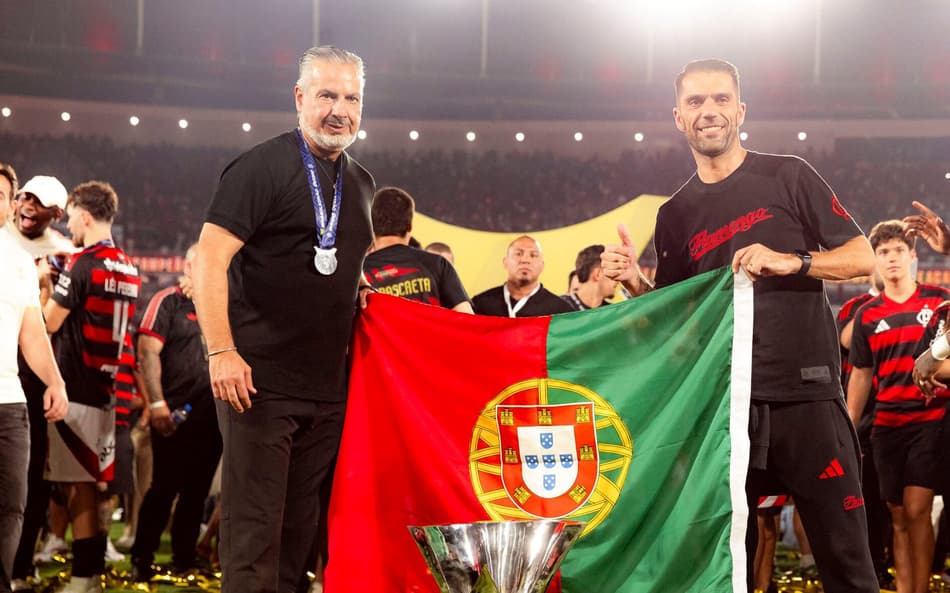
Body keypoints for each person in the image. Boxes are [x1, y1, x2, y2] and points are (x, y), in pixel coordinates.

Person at [601, 58, 878, 593]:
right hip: (726, 408)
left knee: (848, 565)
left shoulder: (788, 174)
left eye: (721, 100)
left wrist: (792, 260)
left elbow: (861, 257)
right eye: (697, 102)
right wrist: (636, 283)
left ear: (741, 111)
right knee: (727, 567)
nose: (709, 112)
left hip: (808, 399)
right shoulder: (675, 214)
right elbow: (680, 317)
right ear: (678, 117)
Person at [193, 46, 375, 593]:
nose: (339, 109)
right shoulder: (259, 167)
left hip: (326, 393)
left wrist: (357, 286)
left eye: (351, 97)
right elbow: (208, 259)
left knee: (298, 542)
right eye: (326, 95)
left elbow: (335, 262)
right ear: (299, 98)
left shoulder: (362, 183)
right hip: (259, 386)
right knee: (254, 539)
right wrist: (221, 350)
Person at [43, 181, 140, 593]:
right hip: (106, 389)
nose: (69, 226)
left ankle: (85, 578)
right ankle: (90, 575)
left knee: (79, 489)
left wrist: (45, 284)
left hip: (75, 388)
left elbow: (49, 322)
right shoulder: (127, 265)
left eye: (70, 217)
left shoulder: (83, 262)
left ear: (85, 215)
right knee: (92, 487)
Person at [847, 221, 950, 593]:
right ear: (876, 260)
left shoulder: (939, 300)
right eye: (884, 252)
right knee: (898, 517)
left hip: (931, 421)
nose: (891, 258)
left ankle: (920, 588)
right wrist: (846, 427)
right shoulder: (867, 315)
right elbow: (860, 375)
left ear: (912, 256)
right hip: (886, 426)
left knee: (918, 510)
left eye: (898, 251)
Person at [130, 245, 222, 582]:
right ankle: (142, 557)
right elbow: (147, 351)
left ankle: (184, 558)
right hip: (174, 411)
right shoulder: (168, 300)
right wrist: (156, 403)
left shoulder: (222, 303)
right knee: (164, 487)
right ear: (187, 266)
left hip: (211, 413)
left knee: (197, 491)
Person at [4, 174, 76, 591]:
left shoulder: (62, 256)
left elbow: (40, 328)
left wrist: (55, 381)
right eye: (24, 196)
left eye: (39, 201)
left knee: (23, 488)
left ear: (57, 214)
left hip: (25, 385)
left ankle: (17, 567)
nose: (28, 205)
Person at [364, 187, 472, 312]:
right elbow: (467, 318)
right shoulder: (437, 264)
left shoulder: (357, 274)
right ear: (410, 226)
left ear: (371, 226)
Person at [472, 236, 573, 317]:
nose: (525, 260)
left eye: (533, 255)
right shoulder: (480, 304)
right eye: (518, 254)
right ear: (505, 262)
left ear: (542, 266)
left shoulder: (561, 311)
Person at [561, 245, 617, 311]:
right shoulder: (557, 309)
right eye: (612, 273)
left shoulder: (612, 313)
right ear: (598, 274)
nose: (617, 280)